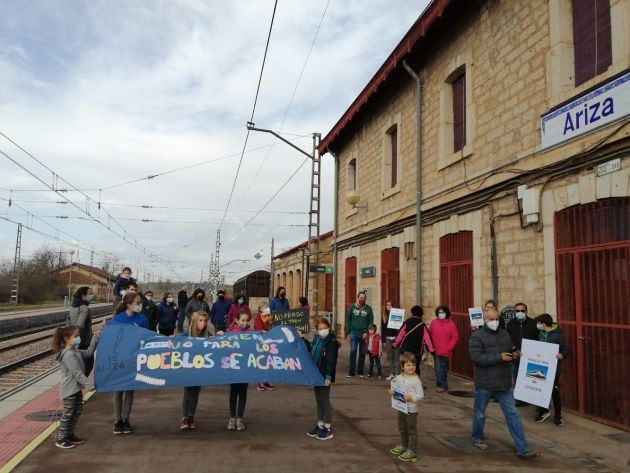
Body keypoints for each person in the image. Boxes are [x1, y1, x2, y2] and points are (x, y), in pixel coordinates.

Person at [468, 308, 539, 459]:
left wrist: (514, 355)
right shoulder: (476, 337)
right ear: (485, 320)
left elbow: (510, 350)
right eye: (491, 319)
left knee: (513, 414)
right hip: (484, 383)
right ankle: (477, 437)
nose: (494, 322)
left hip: (504, 383)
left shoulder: (505, 334)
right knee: (480, 414)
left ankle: (523, 448)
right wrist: (499, 357)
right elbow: (477, 358)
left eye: (496, 319)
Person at [52, 325, 99, 449]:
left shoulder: (75, 351)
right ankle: (61, 437)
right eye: (76, 336)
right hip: (69, 390)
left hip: (76, 388)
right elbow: (77, 373)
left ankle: (69, 434)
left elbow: (89, 353)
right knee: (68, 413)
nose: (79, 338)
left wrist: (95, 338)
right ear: (67, 338)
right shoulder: (68, 355)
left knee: (77, 411)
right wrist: (89, 385)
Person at [111, 292, 148, 435]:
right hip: (120, 359)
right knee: (117, 391)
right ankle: (117, 420)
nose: (140, 305)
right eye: (137, 302)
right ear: (128, 304)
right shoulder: (118, 319)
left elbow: (147, 336)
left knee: (129, 390)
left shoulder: (143, 319)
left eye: (140, 302)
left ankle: (126, 420)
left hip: (134, 358)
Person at [305, 317, 339, 441]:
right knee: (318, 400)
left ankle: (328, 428)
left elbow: (331, 361)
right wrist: (301, 338)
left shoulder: (331, 342)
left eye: (325, 328)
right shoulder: (317, 339)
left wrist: (328, 377)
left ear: (329, 328)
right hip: (316, 374)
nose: (323, 330)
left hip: (325, 376)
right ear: (317, 330)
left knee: (325, 400)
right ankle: (320, 425)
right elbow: (310, 348)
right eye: (320, 329)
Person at [388, 352, 424, 462]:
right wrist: (391, 392)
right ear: (402, 366)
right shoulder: (398, 377)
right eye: (408, 365)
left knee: (411, 430)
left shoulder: (416, 380)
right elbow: (395, 388)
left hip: (411, 410)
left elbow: (421, 395)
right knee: (402, 428)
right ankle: (404, 445)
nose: (411, 367)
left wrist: (411, 398)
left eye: (413, 365)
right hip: (401, 408)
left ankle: (412, 451)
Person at [180, 311, 214, 430]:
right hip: (188, 368)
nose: (203, 323)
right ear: (195, 321)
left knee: (195, 393)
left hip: (200, 370)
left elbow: (215, 344)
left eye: (205, 321)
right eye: (200, 320)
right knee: (188, 392)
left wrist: (220, 336)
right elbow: (176, 344)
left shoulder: (207, 335)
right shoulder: (187, 334)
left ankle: (191, 416)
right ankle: (184, 417)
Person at [534, 313, 569, 426]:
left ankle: (558, 416)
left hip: (554, 367)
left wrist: (562, 355)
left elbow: (565, 349)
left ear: (544, 323)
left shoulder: (558, 335)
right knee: (541, 389)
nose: (538, 325)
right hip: (542, 366)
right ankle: (543, 411)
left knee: (554, 391)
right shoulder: (540, 333)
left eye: (539, 323)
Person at [506, 302, 538, 405]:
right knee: (516, 379)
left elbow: (538, 340)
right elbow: (508, 339)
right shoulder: (511, 324)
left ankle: (530, 399)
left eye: (522, 311)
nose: (520, 312)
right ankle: (519, 400)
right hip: (516, 357)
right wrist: (513, 351)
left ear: (526, 311)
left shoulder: (534, 324)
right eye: (518, 311)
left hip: (530, 358)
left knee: (530, 380)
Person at [227, 310, 251, 431]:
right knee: (233, 393)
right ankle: (232, 418)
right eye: (242, 320)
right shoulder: (231, 333)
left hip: (246, 367)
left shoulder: (251, 333)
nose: (245, 323)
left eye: (246, 320)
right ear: (236, 320)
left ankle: (240, 418)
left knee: (243, 393)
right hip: (234, 368)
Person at [393, 306, 434, 375]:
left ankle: (405, 382)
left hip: (405, 349)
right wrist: (432, 350)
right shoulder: (422, 325)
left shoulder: (407, 322)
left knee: (405, 366)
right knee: (415, 367)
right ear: (421, 314)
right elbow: (427, 339)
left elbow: (400, 334)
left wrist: (395, 344)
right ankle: (415, 383)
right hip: (417, 351)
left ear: (412, 313)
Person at [428, 305, 459, 393]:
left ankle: (444, 385)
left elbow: (455, 337)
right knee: (438, 368)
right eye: (439, 312)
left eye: (443, 312)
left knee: (444, 369)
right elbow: (429, 334)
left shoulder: (451, 324)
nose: (441, 314)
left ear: (446, 313)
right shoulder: (434, 322)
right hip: (436, 350)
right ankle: (440, 385)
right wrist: (429, 346)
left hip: (446, 351)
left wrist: (449, 347)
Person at [66, 286, 95, 376]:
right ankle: (80, 385)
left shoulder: (73, 307)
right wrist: (76, 341)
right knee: (88, 364)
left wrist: (70, 340)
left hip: (73, 339)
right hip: (83, 341)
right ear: (83, 296)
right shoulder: (84, 308)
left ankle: (77, 385)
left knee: (77, 365)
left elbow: (68, 322)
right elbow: (80, 325)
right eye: (89, 294)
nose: (92, 296)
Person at [345, 291, 374, 378]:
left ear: (365, 299)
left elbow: (371, 321)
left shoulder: (368, 309)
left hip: (363, 334)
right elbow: (348, 320)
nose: (362, 299)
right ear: (358, 298)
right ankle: (351, 371)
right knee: (353, 351)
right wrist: (348, 333)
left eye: (363, 298)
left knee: (362, 353)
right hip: (353, 333)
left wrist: (367, 332)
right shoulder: (352, 308)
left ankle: (360, 371)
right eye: (360, 297)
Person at [253, 303, 276, 391]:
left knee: (269, 360)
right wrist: (262, 331)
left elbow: (271, 325)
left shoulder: (269, 316)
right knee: (262, 360)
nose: (267, 308)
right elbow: (257, 327)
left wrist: (270, 320)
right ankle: (260, 381)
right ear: (260, 309)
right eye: (264, 307)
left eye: (267, 307)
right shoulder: (259, 317)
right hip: (261, 340)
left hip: (269, 340)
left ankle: (268, 380)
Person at [382, 300, 401, 381]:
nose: (388, 306)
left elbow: (400, 328)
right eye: (387, 305)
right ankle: (392, 374)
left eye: (390, 305)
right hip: (388, 338)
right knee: (390, 357)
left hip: (396, 338)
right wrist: (383, 341)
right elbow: (383, 330)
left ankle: (398, 374)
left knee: (397, 357)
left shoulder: (397, 315)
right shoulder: (384, 316)